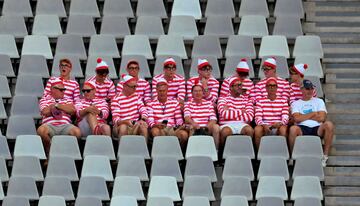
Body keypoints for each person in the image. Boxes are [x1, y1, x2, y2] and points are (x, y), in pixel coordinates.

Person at [289, 79, 334, 167]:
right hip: (302, 128)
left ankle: (325, 156)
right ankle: (292, 156)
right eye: (307, 89)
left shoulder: (319, 101)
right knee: (293, 129)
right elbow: (296, 119)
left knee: (329, 124)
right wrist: (313, 113)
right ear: (301, 89)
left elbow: (322, 118)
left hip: (317, 128)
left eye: (311, 88)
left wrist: (303, 116)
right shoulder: (296, 103)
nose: (310, 91)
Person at [37, 78, 81, 154]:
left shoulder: (67, 100)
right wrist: (63, 108)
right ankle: (50, 153)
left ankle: (64, 152)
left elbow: (72, 110)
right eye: (61, 90)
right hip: (49, 125)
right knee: (41, 131)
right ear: (53, 90)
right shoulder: (45, 100)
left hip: (65, 125)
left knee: (77, 132)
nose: (63, 91)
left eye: (64, 89)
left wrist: (57, 105)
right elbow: (44, 111)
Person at [147, 78, 188, 145]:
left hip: (172, 128)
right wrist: (156, 125)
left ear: (167, 90)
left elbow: (179, 119)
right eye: (160, 91)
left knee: (184, 135)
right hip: (158, 127)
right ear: (156, 91)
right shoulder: (150, 104)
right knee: (155, 131)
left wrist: (179, 126)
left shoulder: (174, 103)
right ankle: (161, 150)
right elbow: (150, 121)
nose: (162, 93)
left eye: (164, 90)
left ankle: (177, 151)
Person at [217, 77, 254, 147]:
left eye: (241, 85)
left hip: (242, 124)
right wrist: (242, 111)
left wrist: (230, 111)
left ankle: (246, 153)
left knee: (249, 130)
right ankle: (222, 154)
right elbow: (225, 115)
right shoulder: (222, 99)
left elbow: (249, 117)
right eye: (237, 85)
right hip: (226, 124)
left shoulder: (247, 100)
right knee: (225, 131)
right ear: (230, 87)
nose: (240, 87)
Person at [254, 77, 289, 148]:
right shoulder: (260, 101)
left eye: (274, 86)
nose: (272, 88)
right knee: (257, 129)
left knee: (283, 129)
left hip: (278, 125)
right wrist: (264, 125)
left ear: (277, 88)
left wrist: (280, 123)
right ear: (266, 88)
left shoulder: (283, 101)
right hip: (265, 126)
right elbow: (257, 118)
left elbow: (285, 117)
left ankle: (282, 151)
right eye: (269, 86)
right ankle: (259, 153)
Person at [184, 79, 220, 148]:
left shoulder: (209, 103)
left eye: (200, 91)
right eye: (195, 91)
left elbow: (213, 119)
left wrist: (206, 127)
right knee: (192, 127)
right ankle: (191, 150)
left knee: (216, 127)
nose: (198, 93)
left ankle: (216, 151)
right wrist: (194, 124)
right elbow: (187, 118)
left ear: (203, 93)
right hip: (194, 126)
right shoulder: (188, 104)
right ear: (192, 93)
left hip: (206, 127)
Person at [112, 74, 149, 139]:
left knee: (143, 127)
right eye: (133, 86)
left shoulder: (137, 96)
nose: (135, 88)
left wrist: (142, 119)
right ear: (125, 86)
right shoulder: (116, 99)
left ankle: (144, 148)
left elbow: (143, 109)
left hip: (134, 124)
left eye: (136, 86)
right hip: (120, 125)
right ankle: (122, 148)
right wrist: (126, 121)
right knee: (123, 127)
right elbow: (116, 120)